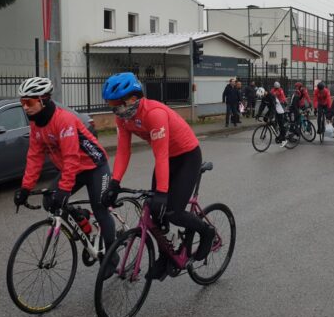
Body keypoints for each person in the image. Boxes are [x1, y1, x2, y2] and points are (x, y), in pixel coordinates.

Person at [100, 72, 215, 279]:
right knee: (155, 213)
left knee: (173, 212)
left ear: (132, 99)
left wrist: (162, 193)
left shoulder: (154, 113)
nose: (114, 109)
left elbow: (160, 154)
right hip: (168, 158)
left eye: (116, 104)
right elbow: (123, 151)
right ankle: (165, 256)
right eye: (111, 105)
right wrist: (114, 183)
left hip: (187, 156)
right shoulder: (123, 119)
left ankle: (206, 231)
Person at [13, 77, 116, 260]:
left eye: (29, 102)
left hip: (95, 167)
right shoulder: (36, 124)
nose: (25, 107)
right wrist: (25, 187)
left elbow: (71, 157)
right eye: (22, 102)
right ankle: (82, 220)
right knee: (50, 201)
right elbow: (35, 157)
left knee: (100, 210)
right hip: (74, 169)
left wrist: (65, 189)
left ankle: (110, 256)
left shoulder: (63, 120)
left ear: (43, 100)